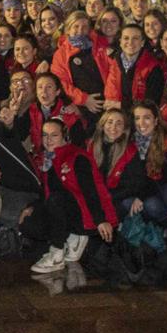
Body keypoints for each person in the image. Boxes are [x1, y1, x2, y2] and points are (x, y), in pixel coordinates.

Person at [20, 116, 115, 274]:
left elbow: (90, 190)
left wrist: (101, 220)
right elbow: (46, 192)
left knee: (57, 199)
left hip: (84, 215)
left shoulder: (76, 156)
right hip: (62, 211)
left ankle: (57, 252)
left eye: (54, 135)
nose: (48, 140)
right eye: (45, 135)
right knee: (29, 223)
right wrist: (32, 207)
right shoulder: (46, 159)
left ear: (64, 135)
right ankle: (70, 237)